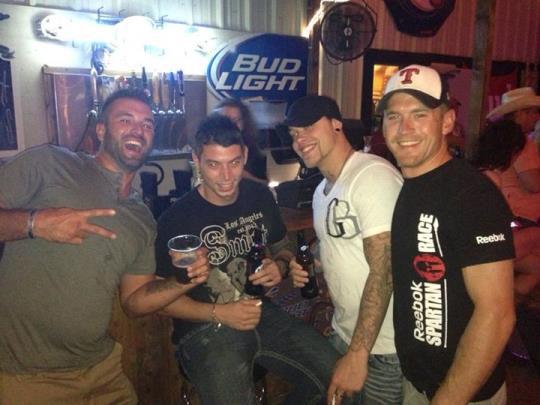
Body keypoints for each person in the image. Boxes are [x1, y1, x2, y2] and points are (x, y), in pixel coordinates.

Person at [0, 89, 209, 404]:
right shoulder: (50, 163)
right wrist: (35, 223)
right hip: (28, 376)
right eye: (125, 120)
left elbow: (134, 301)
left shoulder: (142, 218)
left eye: (147, 124)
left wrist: (184, 280)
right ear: (100, 130)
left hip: (102, 371)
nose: (138, 130)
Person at [155, 114, 341, 405]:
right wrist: (219, 313)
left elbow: (282, 245)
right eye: (213, 164)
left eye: (234, 163)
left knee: (337, 379)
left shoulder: (259, 195)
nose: (226, 176)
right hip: (204, 329)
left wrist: (280, 265)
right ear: (196, 159)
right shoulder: (175, 219)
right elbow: (160, 300)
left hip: (261, 313)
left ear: (244, 155)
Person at [379, 64, 516, 404]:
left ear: (447, 122)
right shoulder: (410, 186)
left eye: (419, 114)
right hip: (418, 383)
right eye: (394, 116)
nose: (404, 129)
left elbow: (497, 314)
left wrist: (447, 399)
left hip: (464, 393)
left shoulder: (471, 195)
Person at [284, 95, 403, 405]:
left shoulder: (371, 176)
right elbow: (339, 245)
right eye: (294, 133)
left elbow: (385, 270)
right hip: (345, 333)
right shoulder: (322, 192)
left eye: (309, 127)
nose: (300, 140)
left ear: (336, 124)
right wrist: (312, 262)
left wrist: (358, 355)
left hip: (383, 347)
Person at [486, 87, 540, 221]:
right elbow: (533, 184)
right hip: (523, 214)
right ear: (520, 113)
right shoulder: (522, 142)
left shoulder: (498, 137)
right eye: (534, 112)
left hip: (505, 209)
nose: (537, 117)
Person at [214, 98, 268, 184]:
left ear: (244, 123)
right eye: (225, 120)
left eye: (235, 120)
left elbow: (265, 184)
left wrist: (244, 175)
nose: (230, 125)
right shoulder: (207, 146)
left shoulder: (253, 150)